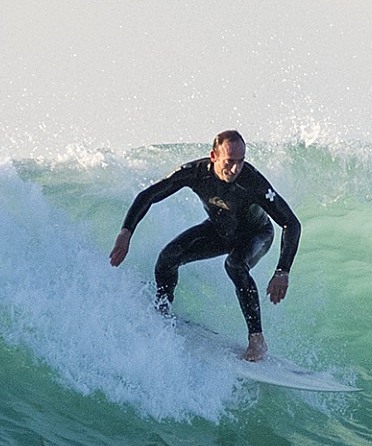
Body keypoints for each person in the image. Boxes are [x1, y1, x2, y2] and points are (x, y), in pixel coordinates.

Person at [108, 130, 301, 361]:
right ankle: (162, 309)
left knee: (235, 265)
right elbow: (149, 195)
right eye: (230, 161)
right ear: (213, 156)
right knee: (169, 256)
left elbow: (291, 223)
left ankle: (257, 339)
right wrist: (126, 231)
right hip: (221, 231)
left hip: (257, 234)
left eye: (241, 161)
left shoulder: (252, 182)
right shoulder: (196, 173)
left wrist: (282, 271)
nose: (236, 168)